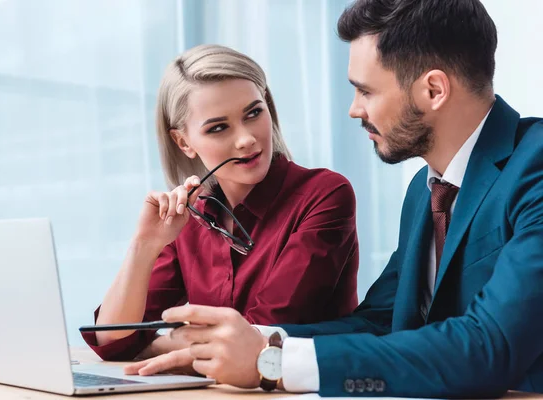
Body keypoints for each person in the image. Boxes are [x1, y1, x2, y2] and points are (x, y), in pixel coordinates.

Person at [154, 0, 543, 397]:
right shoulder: (425, 192)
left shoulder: (536, 168)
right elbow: (380, 321)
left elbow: (489, 346)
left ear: (433, 90)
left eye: (365, 91)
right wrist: (257, 340)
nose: (354, 109)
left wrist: (273, 363)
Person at [81, 44, 360, 374]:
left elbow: (260, 336)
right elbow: (114, 341)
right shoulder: (190, 217)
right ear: (184, 143)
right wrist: (144, 246)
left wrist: (161, 343)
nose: (246, 140)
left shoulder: (325, 195)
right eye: (218, 127)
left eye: (253, 113)